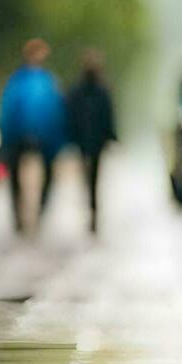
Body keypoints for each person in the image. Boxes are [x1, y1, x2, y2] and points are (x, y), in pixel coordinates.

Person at [0, 39, 67, 233]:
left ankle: (40, 213)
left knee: (48, 174)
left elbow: (56, 111)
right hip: (18, 135)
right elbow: (8, 110)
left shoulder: (48, 81)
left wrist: (57, 138)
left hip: (44, 137)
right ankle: (19, 215)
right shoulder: (18, 81)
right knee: (15, 176)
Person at [65, 49, 117, 233]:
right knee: (90, 177)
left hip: (93, 141)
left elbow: (108, 116)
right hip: (87, 140)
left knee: (91, 177)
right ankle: (91, 208)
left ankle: (92, 209)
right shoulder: (89, 91)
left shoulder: (95, 91)